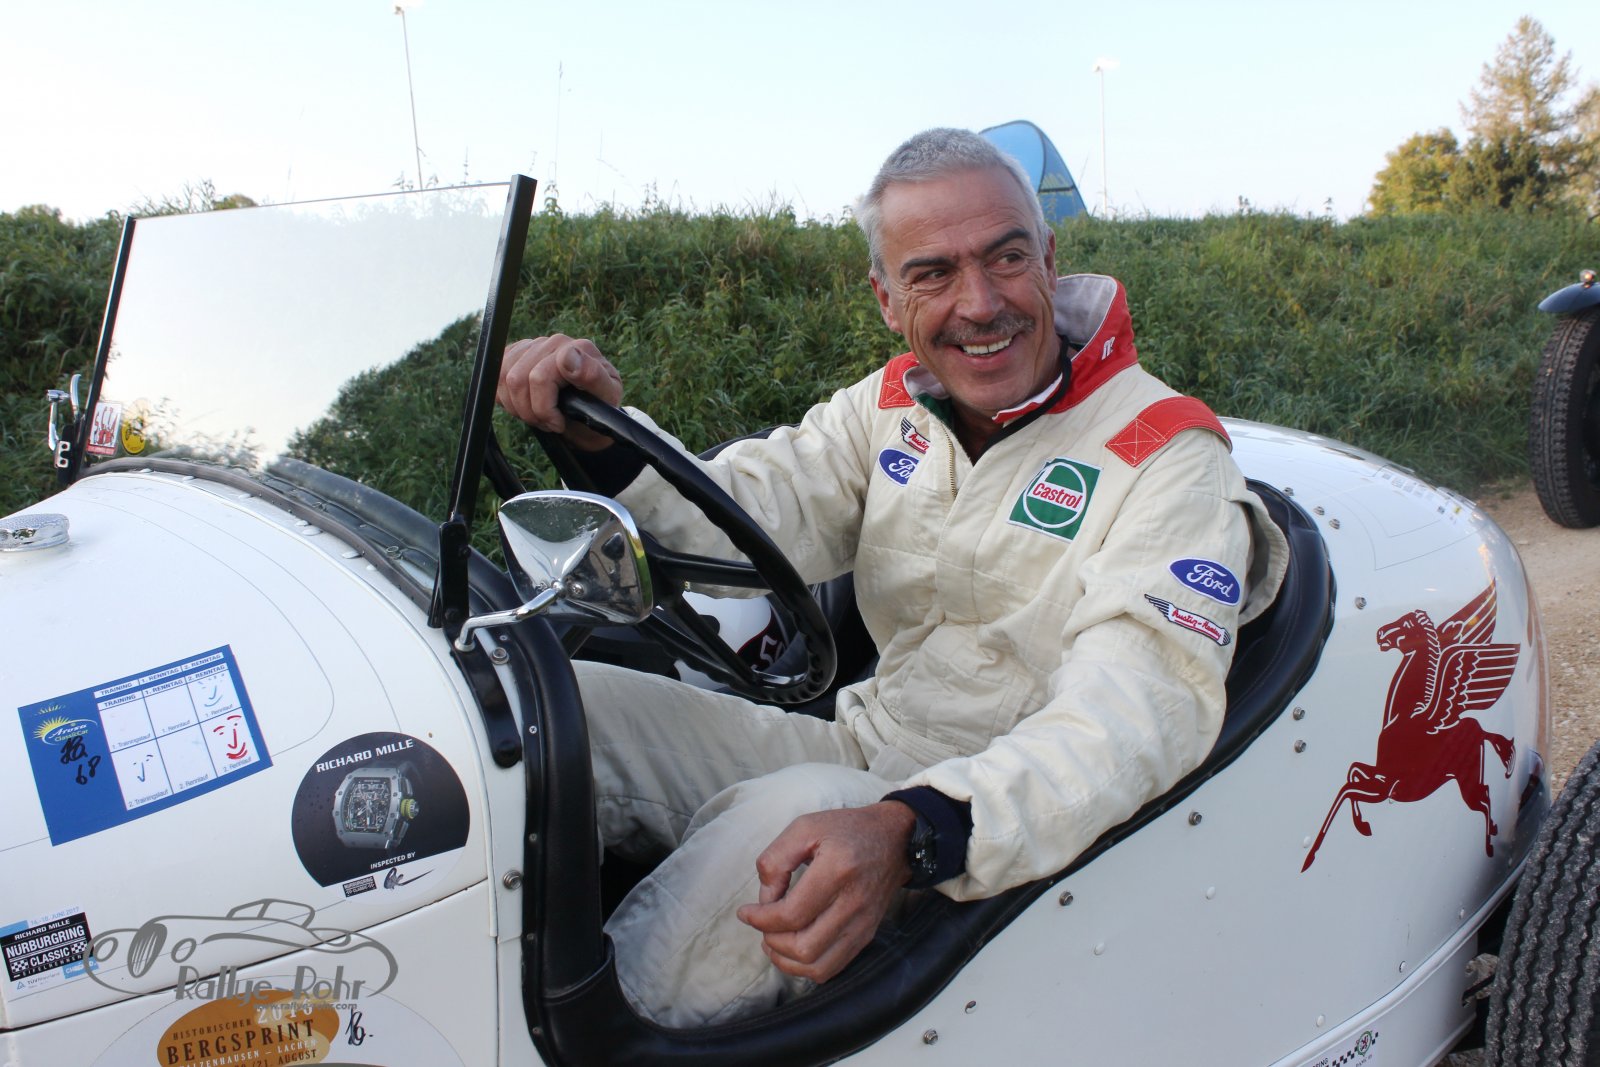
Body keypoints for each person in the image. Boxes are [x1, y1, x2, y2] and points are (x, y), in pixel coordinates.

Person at [496, 127, 1288, 1028]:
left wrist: (915, 829)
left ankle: (574, 1039)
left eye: (1006, 257)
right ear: (886, 299)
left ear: (1048, 260)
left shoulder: (1169, 457)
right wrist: (599, 434)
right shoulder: (892, 402)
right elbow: (751, 518)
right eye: (933, 274)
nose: (980, 303)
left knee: (788, 826)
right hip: (857, 745)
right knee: (547, 708)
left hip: (976, 829)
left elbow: (1132, 717)